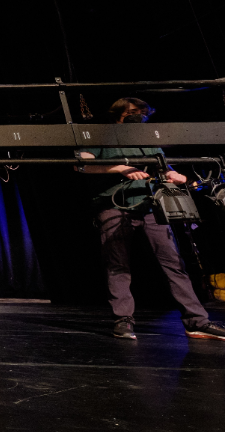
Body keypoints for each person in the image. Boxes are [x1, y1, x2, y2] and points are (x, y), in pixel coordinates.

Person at [77, 97, 225, 341]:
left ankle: (196, 321)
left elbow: (163, 166)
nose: (139, 116)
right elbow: (83, 165)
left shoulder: (147, 138)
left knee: (174, 264)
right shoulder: (101, 134)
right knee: (118, 266)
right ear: (118, 113)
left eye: (143, 113)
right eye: (133, 112)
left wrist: (174, 175)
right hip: (114, 206)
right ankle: (123, 321)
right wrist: (122, 168)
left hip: (150, 207)